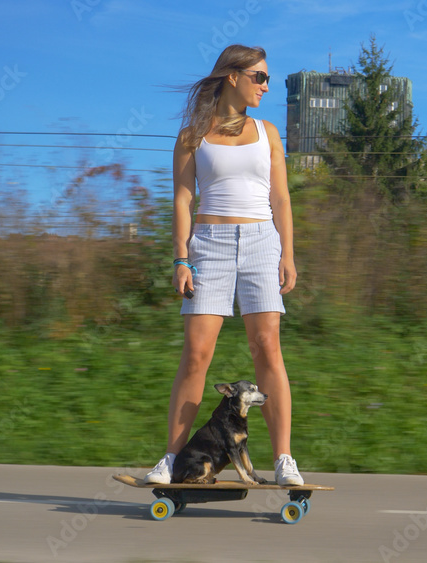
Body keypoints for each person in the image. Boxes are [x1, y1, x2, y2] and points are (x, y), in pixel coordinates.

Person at [144, 44, 302, 486]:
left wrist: (288, 253)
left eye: (268, 78)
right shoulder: (192, 134)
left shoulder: (268, 132)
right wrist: (180, 257)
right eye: (260, 77)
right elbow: (181, 198)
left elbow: (281, 199)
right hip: (209, 245)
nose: (266, 85)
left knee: (268, 347)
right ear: (232, 76)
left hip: (260, 243)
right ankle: (172, 460)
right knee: (196, 355)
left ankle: (284, 459)